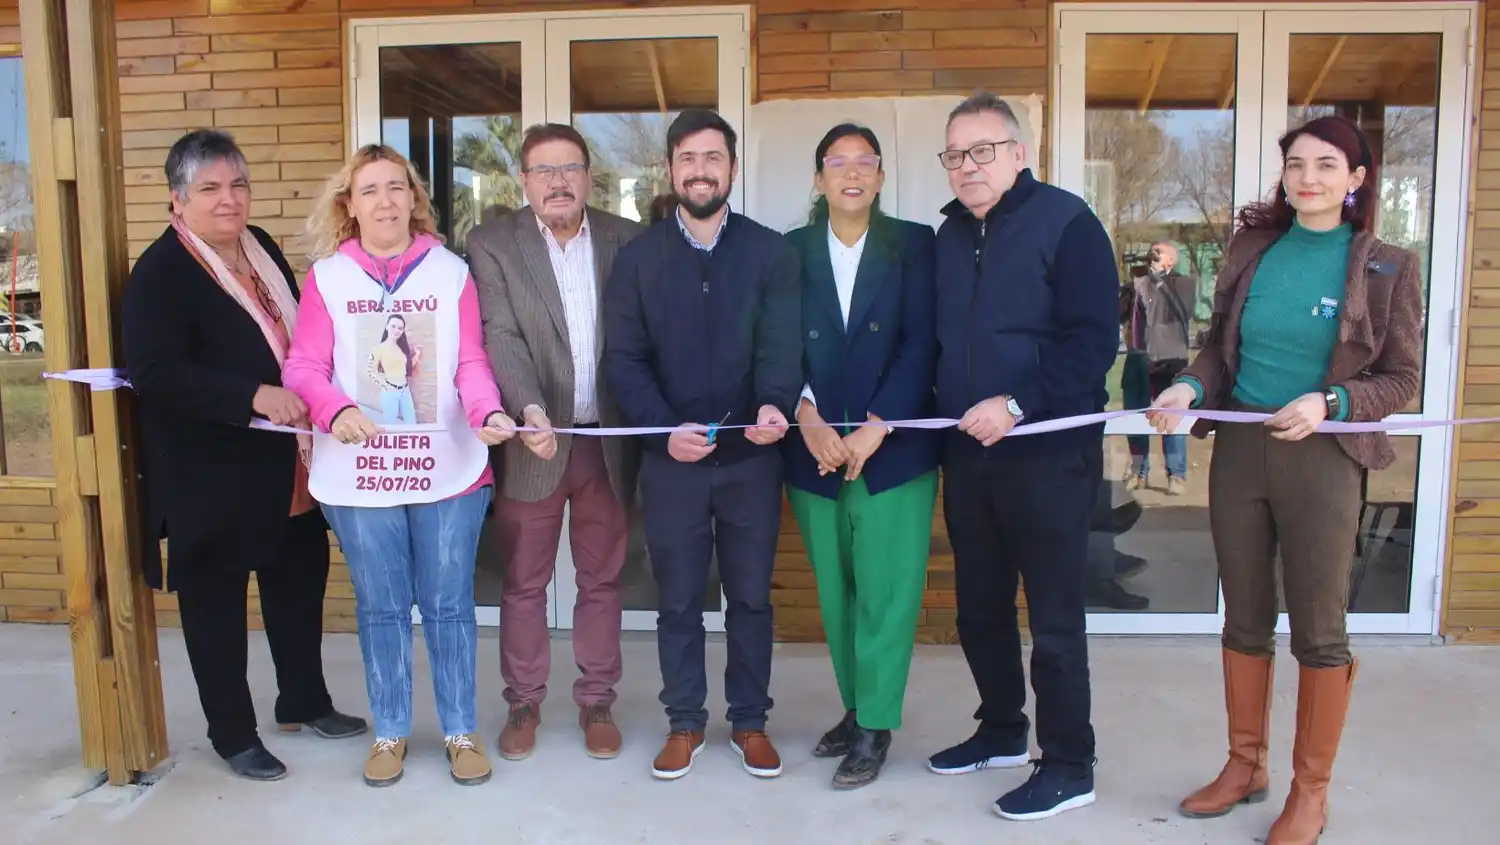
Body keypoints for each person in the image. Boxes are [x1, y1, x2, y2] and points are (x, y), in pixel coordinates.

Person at [1147, 115, 1422, 845]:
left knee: (1320, 630)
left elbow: (1400, 379)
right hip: (1241, 451)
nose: (1308, 178)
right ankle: (1245, 766)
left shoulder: (1387, 266)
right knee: (1242, 614)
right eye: (1296, 164)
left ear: (1358, 178)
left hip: (1324, 459)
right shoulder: (1253, 250)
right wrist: (1187, 390)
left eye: (1327, 165)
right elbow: (1217, 352)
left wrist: (1331, 402)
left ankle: (1310, 791)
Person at [122, 129, 367, 782]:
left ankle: (304, 699)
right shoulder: (163, 272)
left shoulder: (259, 250)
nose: (228, 199)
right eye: (210, 188)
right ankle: (233, 734)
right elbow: (154, 372)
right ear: (179, 200)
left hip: (288, 467)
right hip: (212, 476)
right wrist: (252, 394)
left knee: (298, 585)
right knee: (216, 611)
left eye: (238, 184)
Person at [282, 144, 517, 788]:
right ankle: (389, 732)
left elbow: (470, 361)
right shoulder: (327, 276)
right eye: (369, 191)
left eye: (396, 187)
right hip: (360, 474)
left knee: (447, 606)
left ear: (414, 198)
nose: (385, 201)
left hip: (447, 467)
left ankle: (460, 732)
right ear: (349, 206)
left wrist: (486, 412)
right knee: (383, 606)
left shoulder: (451, 272)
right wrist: (331, 410)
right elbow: (303, 366)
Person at [925, 92, 1119, 821]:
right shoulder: (944, 238)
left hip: (1048, 454)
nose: (968, 165)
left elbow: (1092, 344)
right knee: (979, 609)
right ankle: (1002, 729)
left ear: (1019, 152)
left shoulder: (1068, 224)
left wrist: (1015, 406)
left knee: (1056, 622)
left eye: (982, 150)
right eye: (954, 154)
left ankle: (1070, 762)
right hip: (968, 457)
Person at [601, 108, 802, 782]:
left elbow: (781, 347)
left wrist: (774, 401)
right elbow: (624, 359)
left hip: (750, 460)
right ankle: (684, 721)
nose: (700, 170)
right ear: (671, 169)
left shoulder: (771, 253)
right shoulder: (639, 258)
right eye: (688, 158)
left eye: (713, 157)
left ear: (732, 169)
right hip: (673, 464)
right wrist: (663, 430)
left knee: (749, 598)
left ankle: (750, 721)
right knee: (678, 598)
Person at [468, 123, 644, 761]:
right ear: (523, 181)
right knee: (524, 581)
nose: (558, 182)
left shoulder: (627, 239)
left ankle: (597, 699)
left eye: (569, 168)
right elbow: (500, 333)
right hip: (532, 441)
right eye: (543, 171)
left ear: (589, 176)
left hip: (609, 441)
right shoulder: (492, 243)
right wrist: (529, 409)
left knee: (602, 579)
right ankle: (524, 700)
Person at [781, 123, 939, 790]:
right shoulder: (787, 252)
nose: (851, 172)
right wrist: (806, 412)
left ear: (879, 177)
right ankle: (855, 706)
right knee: (836, 590)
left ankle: (876, 724)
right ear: (819, 178)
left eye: (864, 161)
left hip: (894, 448)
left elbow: (926, 339)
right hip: (813, 449)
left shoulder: (916, 245)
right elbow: (772, 342)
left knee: (887, 592)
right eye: (836, 161)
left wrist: (880, 424)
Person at [1122, 240, 1196, 495]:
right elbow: (1118, 313)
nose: (1151, 258)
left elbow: (1182, 310)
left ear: (1171, 260)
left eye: (1158, 253)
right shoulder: (1138, 284)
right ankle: (1138, 472)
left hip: (1169, 360)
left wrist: (1158, 280)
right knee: (1134, 418)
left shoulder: (1184, 284)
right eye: (1150, 254)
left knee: (1170, 419)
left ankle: (1176, 475)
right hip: (1137, 357)